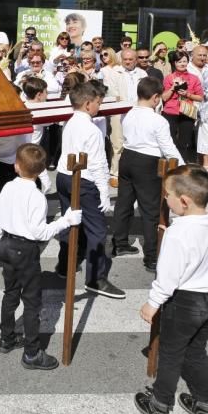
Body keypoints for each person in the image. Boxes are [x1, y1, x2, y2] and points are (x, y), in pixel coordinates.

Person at [134, 165, 208, 414]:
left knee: (171, 355)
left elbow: (168, 276)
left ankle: (160, 405)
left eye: (167, 195)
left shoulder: (178, 234)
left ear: (183, 201)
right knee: (196, 353)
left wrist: (153, 303)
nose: (165, 199)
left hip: (184, 301)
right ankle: (204, 404)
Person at [0, 143, 82, 371]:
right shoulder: (36, 197)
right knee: (32, 302)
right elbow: (39, 232)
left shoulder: (6, 187)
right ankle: (32, 353)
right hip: (25, 249)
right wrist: (65, 221)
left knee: (10, 292)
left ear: (16, 166)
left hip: (5, 243)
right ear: (41, 170)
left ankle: (6, 337)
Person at [55, 82, 124, 299]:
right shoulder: (91, 130)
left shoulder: (69, 122)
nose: (99, 107)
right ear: (87, 104)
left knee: (70, 220)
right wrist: (104, 190)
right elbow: (98, 164)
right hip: (83, 180)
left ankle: (65, 264)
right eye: (97, 103)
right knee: (97, 229)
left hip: (64, 176)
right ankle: (95, 278)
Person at [112, 77, 183, 270]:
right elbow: (168, 148)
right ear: (155, 97)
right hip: (147, 162)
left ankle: (119, 243)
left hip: (127, 158)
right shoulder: (158, 120)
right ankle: (151, 256)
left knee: (124, 203)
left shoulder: (127, 114)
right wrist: (183, 167)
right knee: (151, 210)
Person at [105, 49, 147, 184]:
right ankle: (115, 173)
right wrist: (125, 104)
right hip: (120, 112)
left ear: (136, 60)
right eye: (125, 59)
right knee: (117, 143)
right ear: (121, 59)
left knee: (137, 142)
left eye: (131, 59)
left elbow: (145, 92)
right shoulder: (114, 72)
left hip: (138, 112)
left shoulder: (142, 73)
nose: (128, 62)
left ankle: (134, 173)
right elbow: (112, 92)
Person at [161, 51, 203, 164]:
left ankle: (182, 164)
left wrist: (187, 94)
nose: (182, 64)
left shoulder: (194, 78)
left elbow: (200, 97)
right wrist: (173, 88)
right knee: (170, 140)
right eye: (179, 62)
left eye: (184, 61)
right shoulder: (169, 78)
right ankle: (170, 164)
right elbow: (164, 98)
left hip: (187, 112)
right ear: (174, 63)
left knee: (184, 142)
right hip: (170, 112)